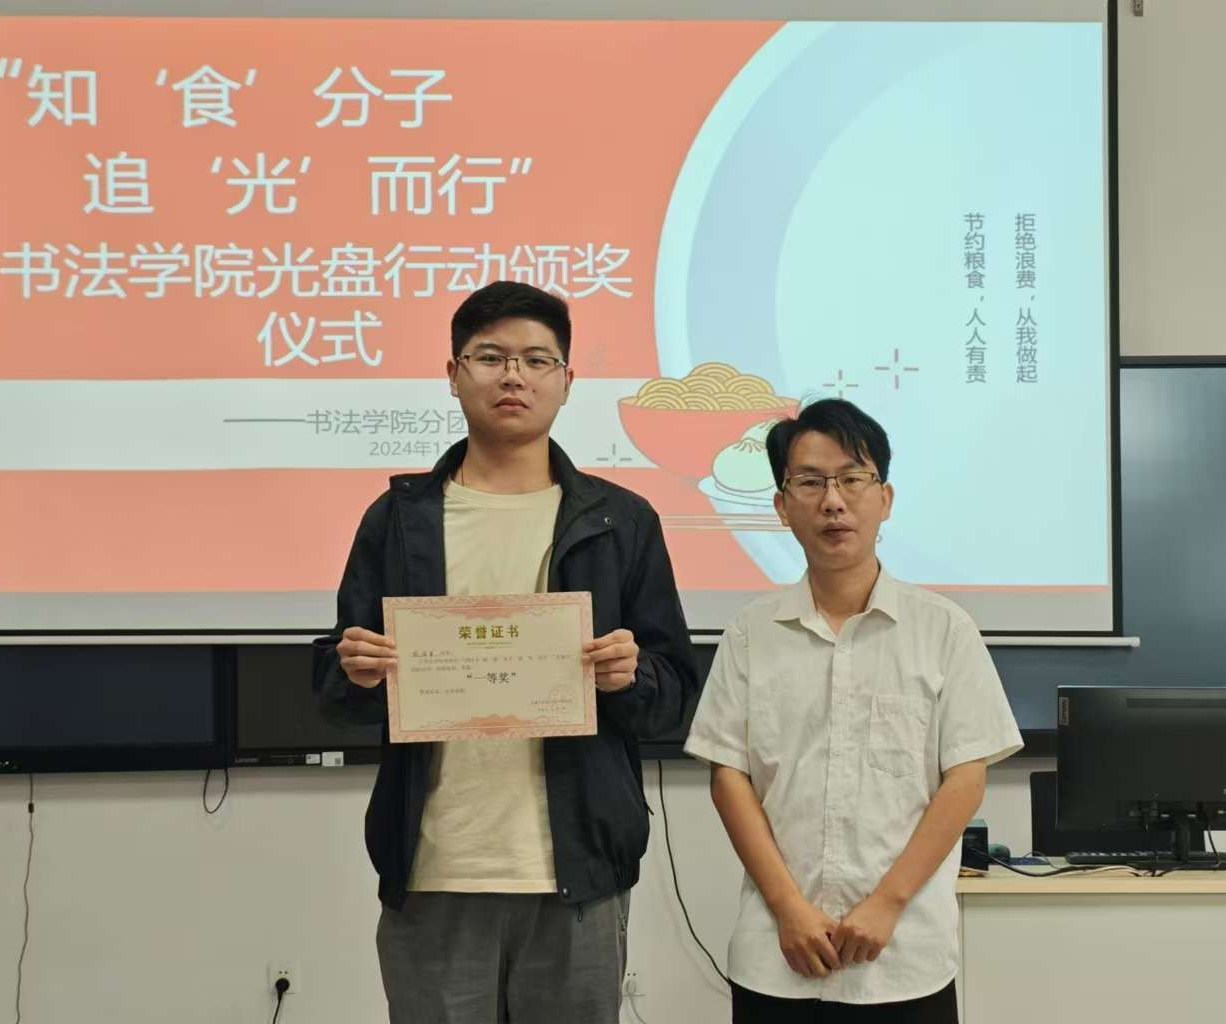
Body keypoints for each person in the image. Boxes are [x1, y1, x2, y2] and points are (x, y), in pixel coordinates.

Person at [314, 281, 698, 1024]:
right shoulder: (399, 520)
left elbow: (675, 693)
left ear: (567, 380)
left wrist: (632, 676)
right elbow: (336, 687)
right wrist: (353, 669)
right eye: (489, 357)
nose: (513, 375)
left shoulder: (621, 522)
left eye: (535, 359)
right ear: (453, 373)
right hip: (434, 868)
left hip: (578, 870)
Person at [685, 398, 1022, 1023]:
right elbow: (729, 776)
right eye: (811, 482)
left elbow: (965, 778)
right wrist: (788, 909)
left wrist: (886, 904)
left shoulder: (944, 629)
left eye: (851, 479)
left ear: (884, 498)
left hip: (905, 956)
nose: (833, 501)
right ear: (782, 506)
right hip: (777, 954)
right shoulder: (751, 632)